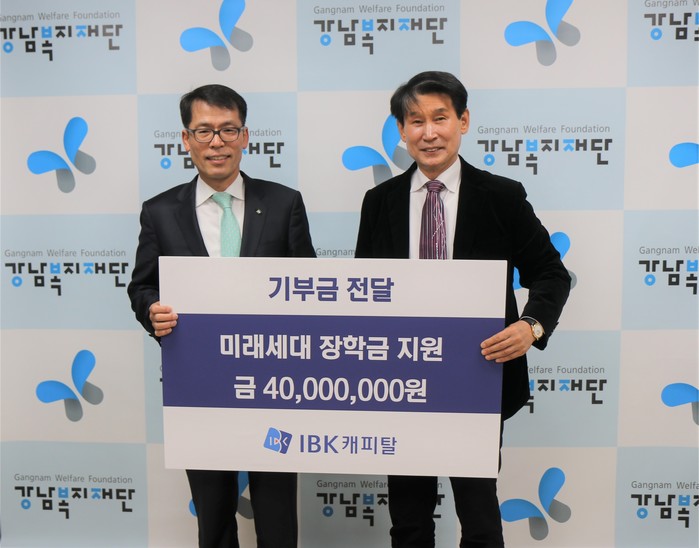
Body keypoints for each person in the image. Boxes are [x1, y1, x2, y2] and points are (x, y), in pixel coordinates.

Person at [354, 71, 571, 547]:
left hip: (478, 378)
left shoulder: (501, 197)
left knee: (480, 522)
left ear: (463, 121)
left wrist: (531, 326)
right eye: (416, 121)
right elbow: (366, 293)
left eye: (440, 118)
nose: (429, 133)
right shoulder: (379, 202)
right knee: (409, 523)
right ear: (401, 130)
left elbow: (551, 273)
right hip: (401, 384)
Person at [128, 84, 315, 548]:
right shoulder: (159, 211)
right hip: (199, 385)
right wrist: (152, 310)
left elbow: (309, 288)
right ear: (185, 139)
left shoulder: (284, 203)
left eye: (228, 130)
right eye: (204, 131)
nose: (217, 142)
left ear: (245, 136)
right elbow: (142, 285)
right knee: (212, 518)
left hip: (275, 383)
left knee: (277, 516)